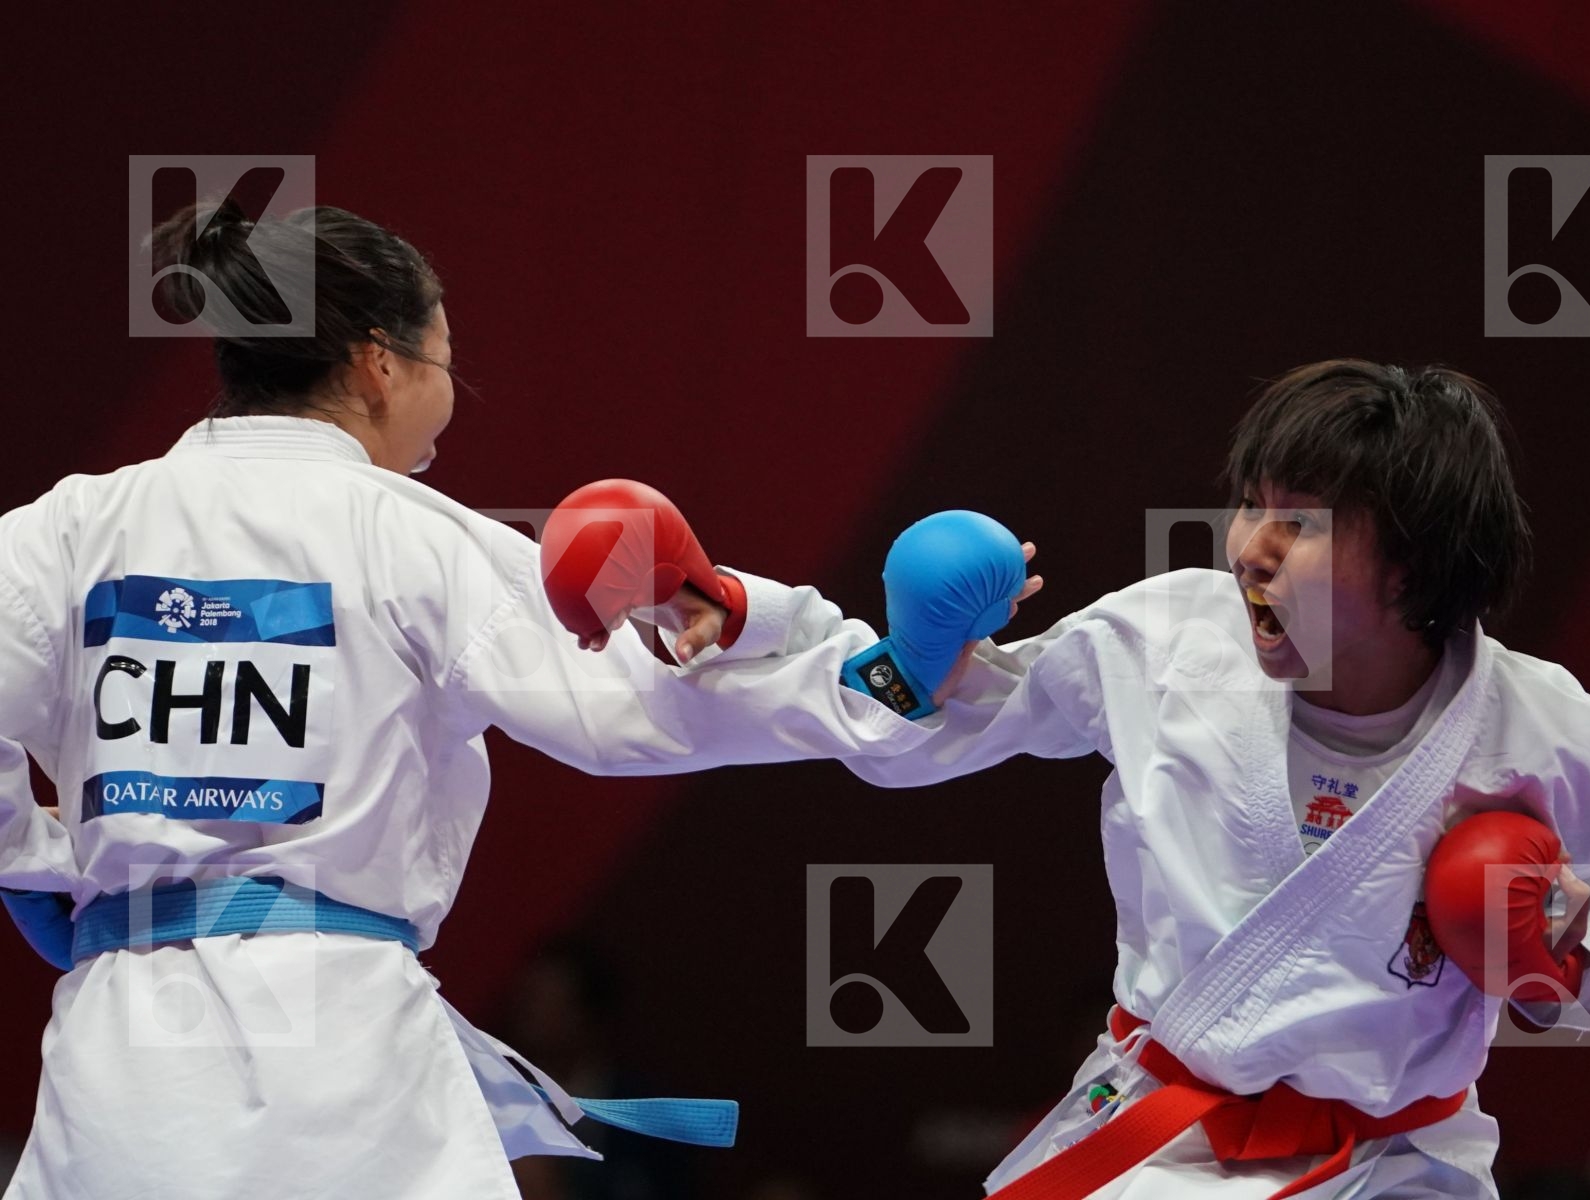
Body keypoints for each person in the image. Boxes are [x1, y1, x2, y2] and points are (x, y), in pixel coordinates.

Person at [0, 199, 1005, 1200]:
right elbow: (636, 710)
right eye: (443, 363)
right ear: (377, 361)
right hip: (336, 1082)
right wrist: (865, 668)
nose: (448, 401)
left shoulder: (68, 531)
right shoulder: (411, 536)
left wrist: (35, 861)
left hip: (119, 1071)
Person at [841, 360, 1590, 1198]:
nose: (1249, 551)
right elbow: (944, 718)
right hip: (1162, 1139)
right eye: (1249, 507)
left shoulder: (1536, 729)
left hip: (1396, 1162)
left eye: (1297, 524)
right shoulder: (1168, 644)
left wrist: (1561, 964)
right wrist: (888, 650)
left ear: (1411, 565)